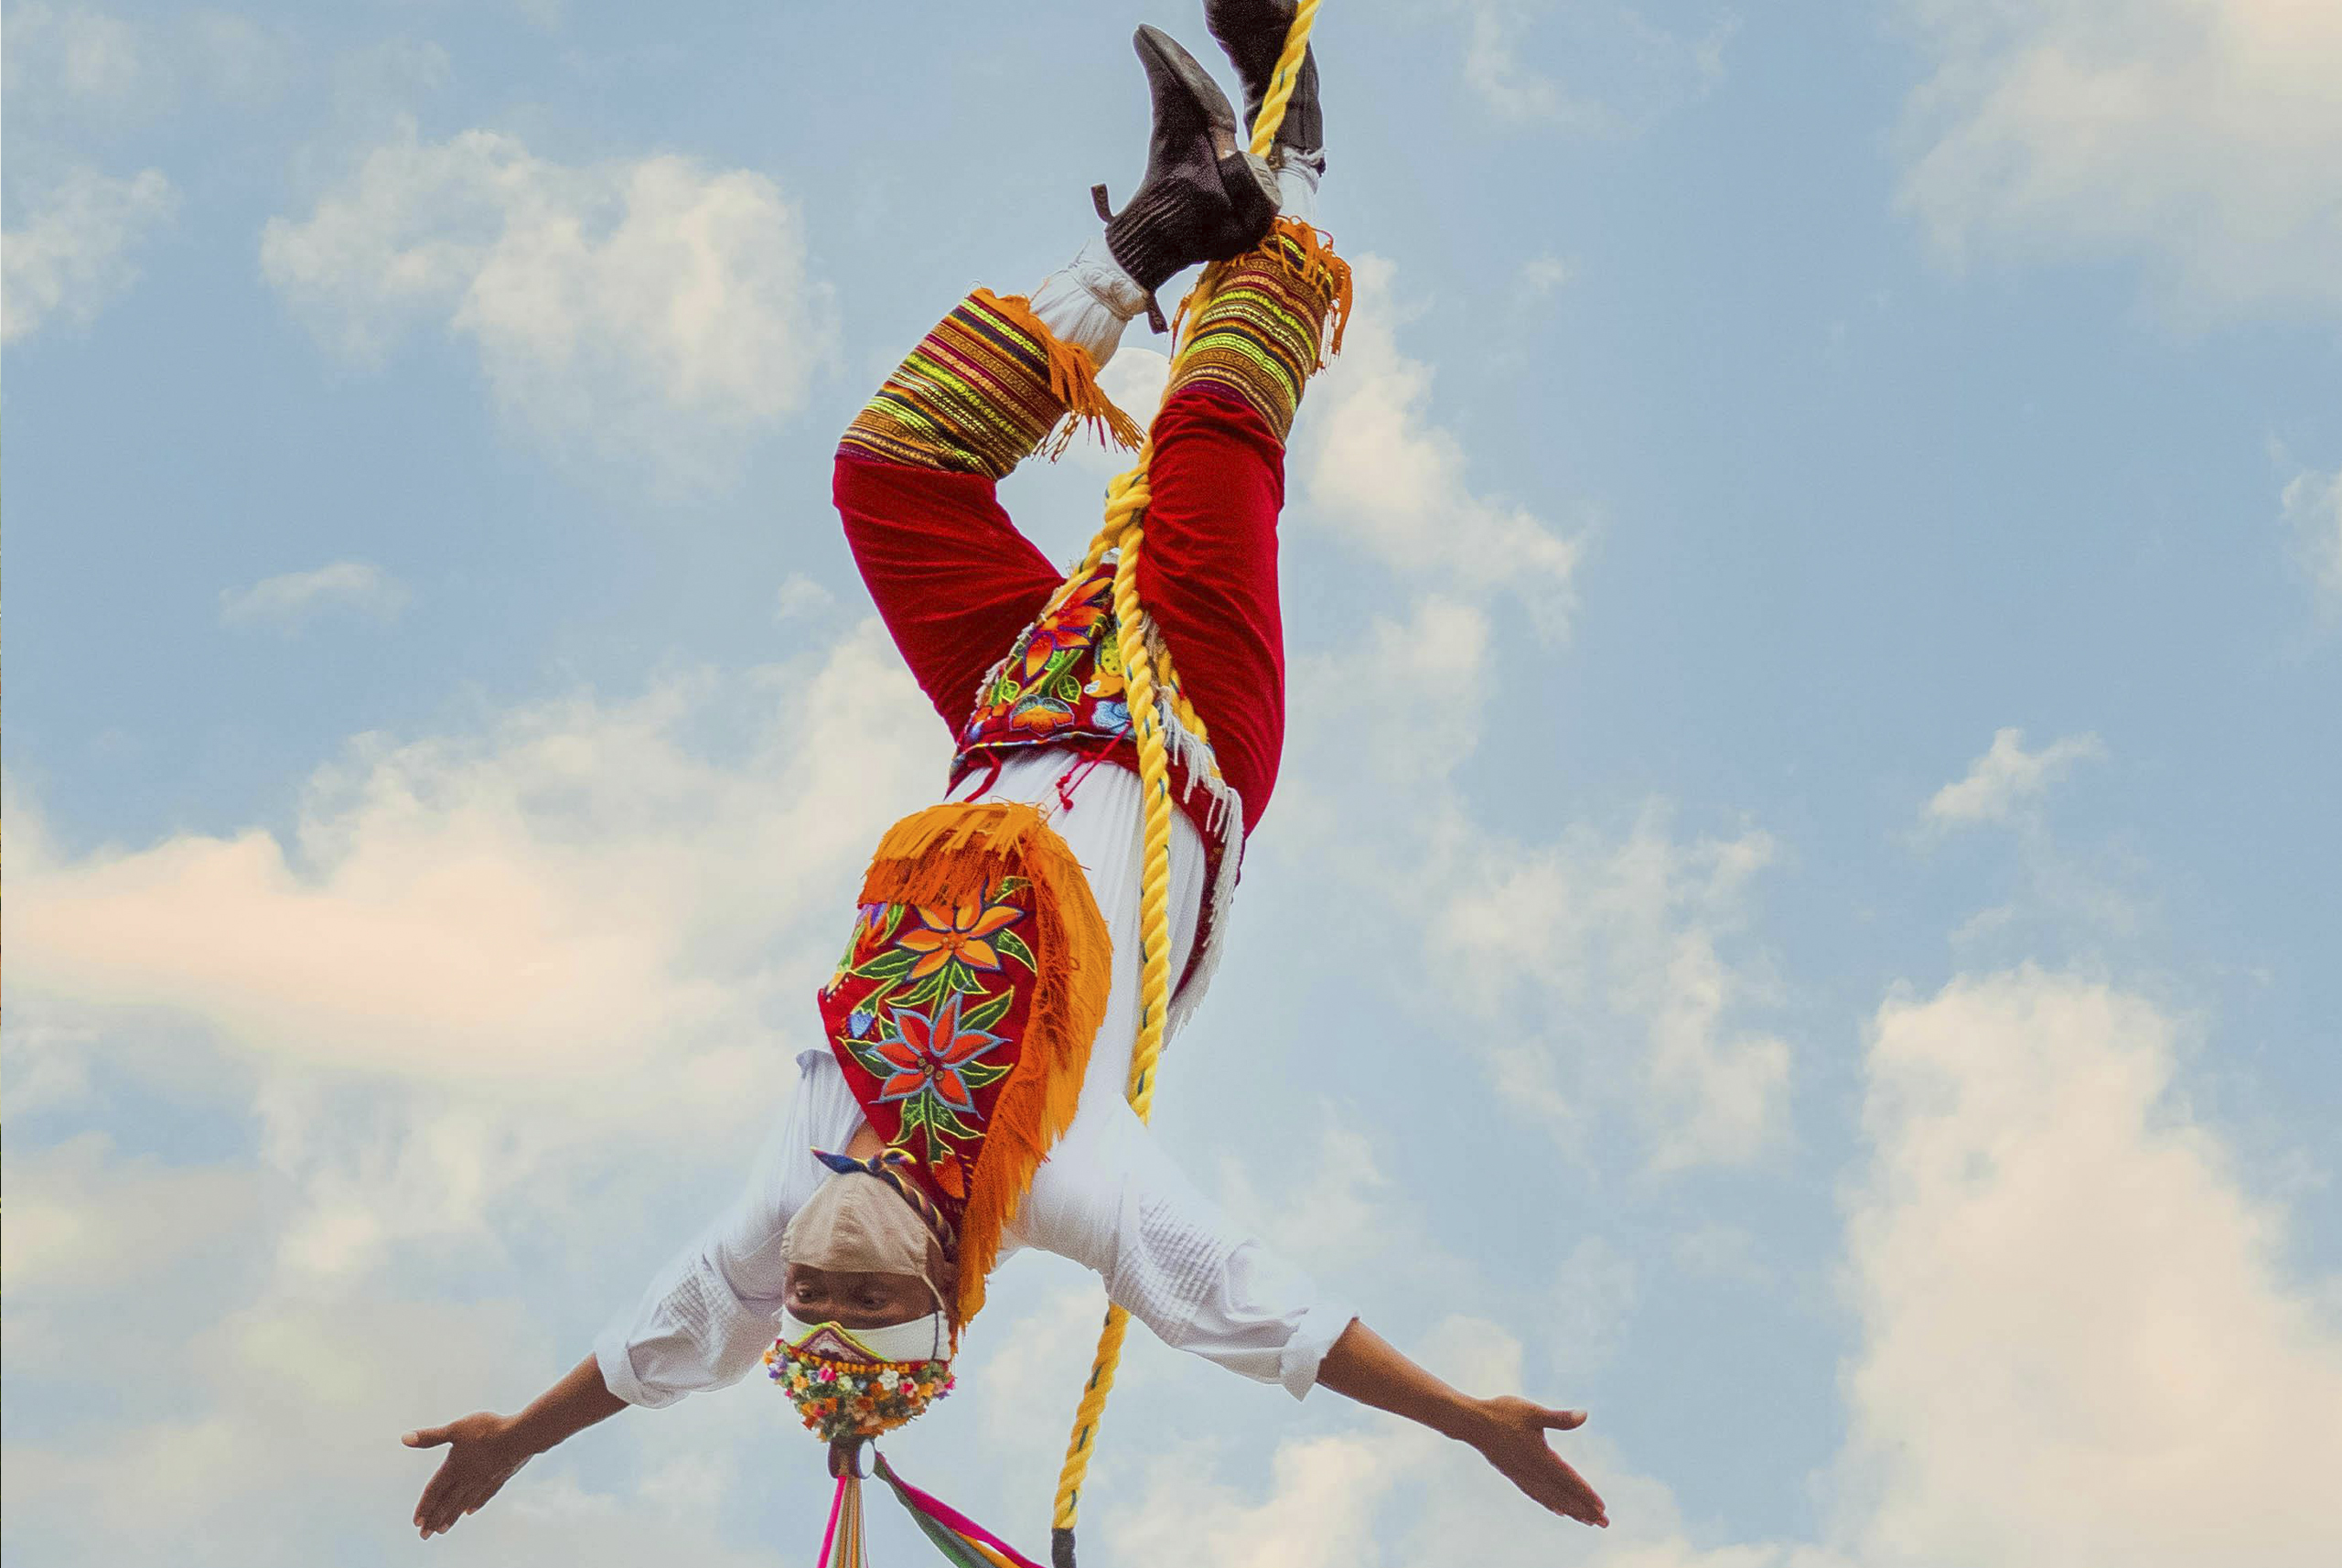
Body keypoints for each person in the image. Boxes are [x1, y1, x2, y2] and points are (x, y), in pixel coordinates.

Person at [402, 3, 1608, 1547]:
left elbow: (658, 1341)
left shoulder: (785, 1199)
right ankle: (1289, 181)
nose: (827, 1266)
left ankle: (1163, 226)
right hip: (1185, 737)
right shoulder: (1058, 1174)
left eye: (814, 1294)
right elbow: (1251, 1305)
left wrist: (519, 1438)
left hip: (1015, 707)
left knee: (891, 472)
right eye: (866, 1293)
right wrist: (1460, 1415)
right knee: (1213, 434)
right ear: (937, 1289)